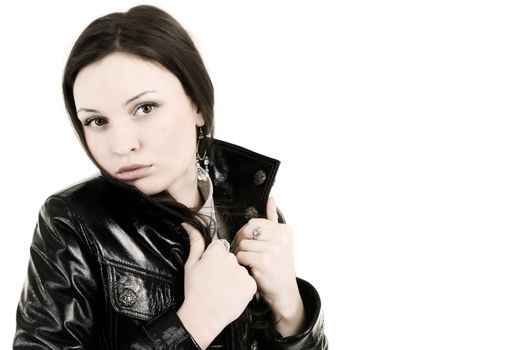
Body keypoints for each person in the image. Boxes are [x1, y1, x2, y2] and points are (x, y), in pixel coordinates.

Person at [13, 4, 327, 349]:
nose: (122, 145)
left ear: (197, 104)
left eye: (145, 108)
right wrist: (192, 324)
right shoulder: (73, 222)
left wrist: (290, 307)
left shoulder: (251, 210)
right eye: (97, 121)